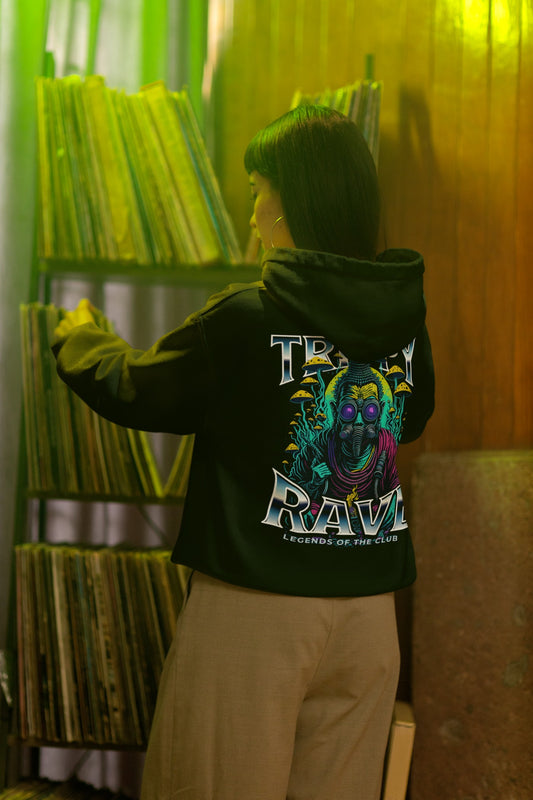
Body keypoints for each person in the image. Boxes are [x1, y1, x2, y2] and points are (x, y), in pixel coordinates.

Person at [53, 104, 435, 800]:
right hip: (368, 614)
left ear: (291, 203)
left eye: (258, 191)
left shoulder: (245, 317)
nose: (252, 214)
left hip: (256, 610)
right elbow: (410, 421)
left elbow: (136, 389)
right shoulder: (403, 322)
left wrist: (78, 335)